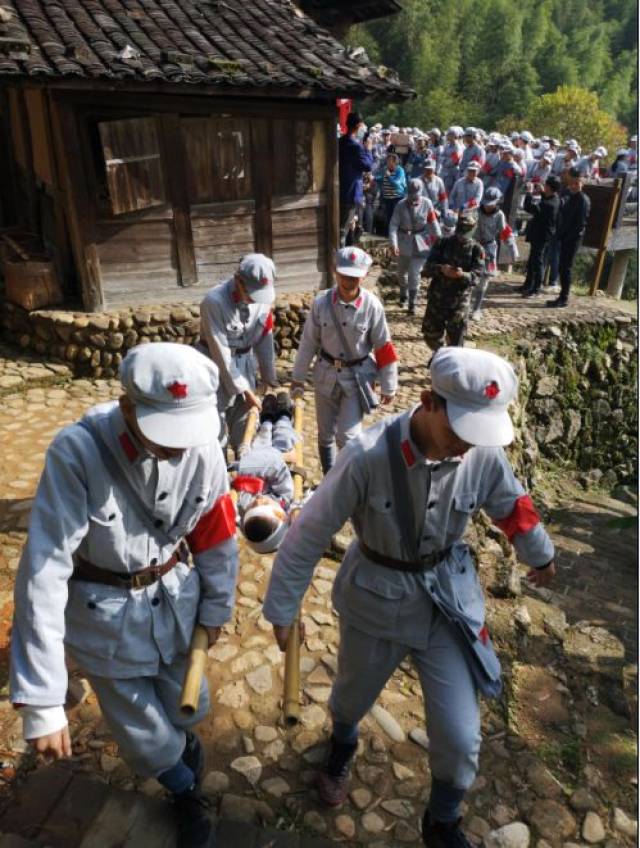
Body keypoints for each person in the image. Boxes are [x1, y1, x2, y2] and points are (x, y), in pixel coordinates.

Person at [262, 346, 556, 848]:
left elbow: (512, 504)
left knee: (462, 737)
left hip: (446, 602)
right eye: (459, 430)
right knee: (350, 699)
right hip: (376, 597)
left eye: (477, 434)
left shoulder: (479, 451)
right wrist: (282, 610)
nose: (467, 446)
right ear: (428, 402)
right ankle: (342, 744)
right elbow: (308, 533)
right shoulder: (366, 456)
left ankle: (441, 821)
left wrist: (540, 554)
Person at [10, 342, 239, 848]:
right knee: (145, 735)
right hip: (105, 620)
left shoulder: (203, 447)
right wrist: (44, 699)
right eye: (166, 433)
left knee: (191, 706)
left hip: (177, 606)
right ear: (128, 405)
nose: (179, 448)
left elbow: (216, 533)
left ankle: (182, 758)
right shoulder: (77, 454)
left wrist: (218, 606)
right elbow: (44, 571)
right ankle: (183, 790)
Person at [291, 247, 398, 474]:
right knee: (325, 434)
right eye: (344, 274)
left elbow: (384, 347)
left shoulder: (372, 306)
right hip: (325, 375)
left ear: (364, 275)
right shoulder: (321, 303)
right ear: (334, 271)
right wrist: (298, 378)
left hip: (357, 378)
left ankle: (349, 479)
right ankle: (330, 477)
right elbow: (309, 341)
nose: (349, 280)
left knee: (348, 437)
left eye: (354, 276)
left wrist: (389, 386)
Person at [199, 253, 278, 452]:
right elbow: (221, 353)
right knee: (214, 432)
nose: (255, 299)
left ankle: (243, 471)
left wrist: (269, 378)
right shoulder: (214, 302)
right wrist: (245, 390)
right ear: (238, 280)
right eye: (251, 293)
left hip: (245, 365)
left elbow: (264, 338)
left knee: (246, 428)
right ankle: (219, 474)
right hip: (213, 368)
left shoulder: (264, 298)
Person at [231, 392, 298, 555]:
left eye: (254, 505)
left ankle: (267, 417)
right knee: (285, 435)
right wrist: (283, 458)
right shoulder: (286, 498)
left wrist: (242, 469)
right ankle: (283, 413)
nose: (259, 499)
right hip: (277, 453)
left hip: (258, 454)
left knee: (263, 433)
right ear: (282, 516)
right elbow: (277, 468)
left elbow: (240, 481)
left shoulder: (243, 505)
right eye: (265, 504)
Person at [421, 212, 485, 351]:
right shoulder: (442, 243)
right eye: (460, 233)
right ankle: (439, 354)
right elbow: (426, 269)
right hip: (438, 297)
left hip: (459, 300)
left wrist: (462, 275)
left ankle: (451, 359)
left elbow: (477, 277)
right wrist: (441, 269)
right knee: (430, 333)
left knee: (456, 339)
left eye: (465, 234)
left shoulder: (477, 249)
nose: (461, 238)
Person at [389, 178, 442, 315]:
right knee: (402, 272)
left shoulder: (427, 203)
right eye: (411, 195)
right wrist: (393, 244)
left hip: (421, 242)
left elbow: (433, 223)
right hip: (403, 242)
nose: (414, 198)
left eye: (416, 195)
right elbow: (393, 225)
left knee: (414, 273)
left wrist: (440, 242)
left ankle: (412, 303)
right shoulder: (400, 205)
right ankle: (403, 294)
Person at [470, 187, 518, 320]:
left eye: (491, 204)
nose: (488, 207)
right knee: (470, 277)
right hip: (474, 246)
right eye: (486, 204)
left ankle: (476, 309)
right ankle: (466, 304)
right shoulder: (475, 211)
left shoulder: (499, 215)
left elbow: (505, 232)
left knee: (484, 281)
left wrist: (513, 250)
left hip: (489, 248)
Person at [546, 167, 591, 308]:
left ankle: (564, 298)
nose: (573, 186)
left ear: (581, 183)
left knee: (566, 268)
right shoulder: (571, 196)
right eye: (572, 183)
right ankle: (561, 296)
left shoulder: (583, 200)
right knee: (562, 267)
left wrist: (567, 238)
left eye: (576, 183)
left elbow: (580, 224)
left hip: (572, 239)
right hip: (564, 236)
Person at [521, 174, 561, 298]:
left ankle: (536, 288)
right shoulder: (555, 198)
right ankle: (528, 285)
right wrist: (542, 193)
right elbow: (546, 199)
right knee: (533, 259)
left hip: (541, 235)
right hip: (543, 234)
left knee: (537, 261)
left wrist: (528, 193)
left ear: (549, 187)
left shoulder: (549, 204)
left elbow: (529, 207)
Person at [339, 112, 375, 247]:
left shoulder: (341, 141)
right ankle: (340, 261)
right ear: (358, 126)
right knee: (343, 230)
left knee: (346, 228)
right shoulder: (356, 146)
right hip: (351, 192)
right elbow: (367, 166)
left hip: (341, 189)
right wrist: (369, 150)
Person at [376, 152, 407, 233]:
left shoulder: (400, 171)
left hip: (397, 198)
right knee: (389, 218)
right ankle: (391, 236)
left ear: (395, 162)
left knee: (396, 218)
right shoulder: (386, 170)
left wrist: (389, 176)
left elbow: (397, 184)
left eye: (389, 161)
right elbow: (381, 179)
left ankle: (399, 235)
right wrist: (373, 178)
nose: (387, 162)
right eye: (387, 161)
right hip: (387, 198)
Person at [441, 127, 464, 194]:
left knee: (451, 191)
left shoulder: (458, 147)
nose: (447, 136)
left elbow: (455, 160)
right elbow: (441, 157)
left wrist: (446, 162)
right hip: (446, 171)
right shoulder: (447, 146)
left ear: (454, 135)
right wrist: (445, 160)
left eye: (449, 134)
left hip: (454, 172)